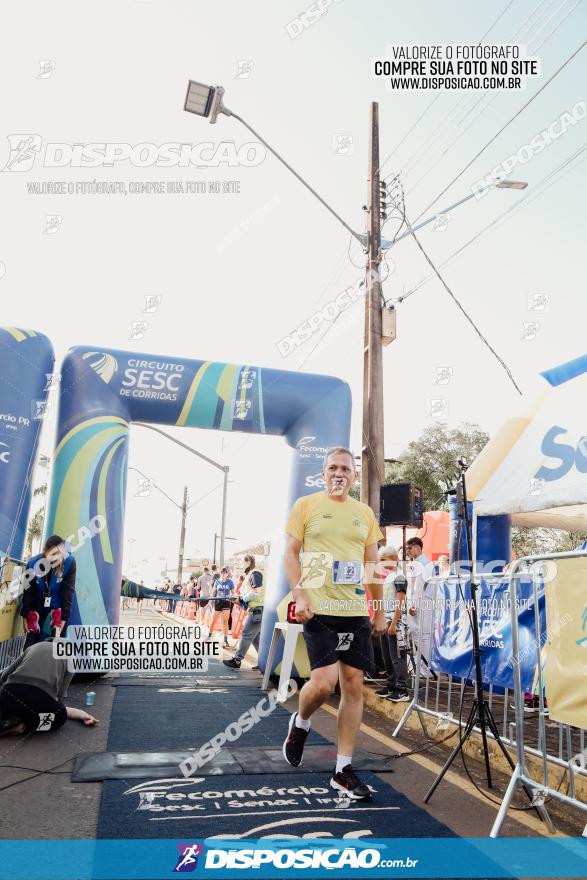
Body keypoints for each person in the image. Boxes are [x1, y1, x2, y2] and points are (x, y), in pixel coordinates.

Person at [282, 447, 386, 801]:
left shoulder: (364, 513)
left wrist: (380, 610)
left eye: (346, 468)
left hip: (354, 608)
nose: (339, 472)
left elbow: (372, 565)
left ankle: (342, 770)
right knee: (324, 684)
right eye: (332, 467)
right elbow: (289, 553)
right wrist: (300, 595)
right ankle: (301, 722)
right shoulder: (306, 505)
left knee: (353, 686)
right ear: (323, 473)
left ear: (355, 475)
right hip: (318, 607)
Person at [0, 640, 98, 736]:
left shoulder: (34, 646)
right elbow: (60, 695)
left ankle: (8, 720)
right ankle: (26, 726)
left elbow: (4, 676)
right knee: (59, 718)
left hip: (9, 690)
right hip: (41, 697)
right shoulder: (70, 658)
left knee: (7, 709)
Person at [21, 535, 76, 649]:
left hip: (57, 605)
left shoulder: (69, 562)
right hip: (37, 603)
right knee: (31, 641)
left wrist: (64, 618)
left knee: (57, 642)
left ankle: (53, 664)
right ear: (45, 552)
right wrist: (25, 615)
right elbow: (28, 591)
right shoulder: (32, 564)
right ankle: (29, 663)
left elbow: (68, 592)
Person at [376, 546, 410, 702]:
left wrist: (394, 623)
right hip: (386, 620)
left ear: (394, 559)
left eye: (383, 559)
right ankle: (391, 684)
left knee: (397, 656)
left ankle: (402, 689)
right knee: (387, 657)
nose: (380, 562)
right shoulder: (388, 578)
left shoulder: (399, 577)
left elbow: (400, 602)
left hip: (395, 622)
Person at [223, 555, 264, 669]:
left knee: (246, 634)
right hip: (256, 609)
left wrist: (241, 599)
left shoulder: (255, 573)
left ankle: (237, 660)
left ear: (248, 562)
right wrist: (236, 597)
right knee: (255, 638)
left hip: (257, 610)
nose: (241, 566)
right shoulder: (252, 574)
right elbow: (250, 592)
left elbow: (256, 591)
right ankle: (264, 662)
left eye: (242, 563)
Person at [405, 536, 434, 670]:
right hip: (420, 605)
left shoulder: (423, 564)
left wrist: (413, 605)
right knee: (418, 636)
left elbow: (419, 588)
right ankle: (422, 667)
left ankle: (427, 668)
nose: (407, 551)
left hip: (422, 605)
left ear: (418, 548)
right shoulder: (419, 563)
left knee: (424, 636)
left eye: (410, 548)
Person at [209, 567, 234, 648]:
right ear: (221, 573)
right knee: (213, 621)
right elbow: (213, 592)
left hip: (226, 603)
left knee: (225, 623)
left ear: (227, 574)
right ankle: (209, 637)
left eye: (226, 572)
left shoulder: (230, 582)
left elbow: (234, 593)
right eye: (223, 572)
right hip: (218, 603)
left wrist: (231, 596)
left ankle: (225, 641)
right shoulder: (217, 582)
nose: (224, 574)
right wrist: (210, 601)